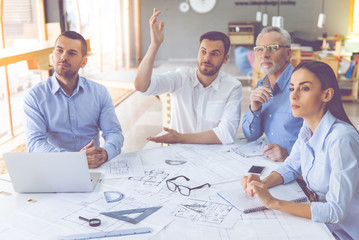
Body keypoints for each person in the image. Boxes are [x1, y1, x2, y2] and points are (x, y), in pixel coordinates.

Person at [241, 61, 359, 240]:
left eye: (304, 89)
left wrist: (273, 202)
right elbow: (291, 167)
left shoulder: (341, 138)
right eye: (292, 88)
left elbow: (336, 211)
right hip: (323, 225)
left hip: (345, 232)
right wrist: (262, 184)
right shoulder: (308, 127)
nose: (293, 96)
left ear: (326, 94)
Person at [134, 9, 242, 145]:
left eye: (214, 54)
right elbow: (142, 86)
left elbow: (225, 134)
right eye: (203, 51)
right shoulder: (181, 77)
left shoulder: (233, 87)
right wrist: (154, 45)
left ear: (225, 58)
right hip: (179, 155)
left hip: (213, 156)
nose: (206, 58)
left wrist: (180, 138)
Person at [24, 31, 124, 168]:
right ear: (52, 55)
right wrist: (74, 159)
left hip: (94, 166)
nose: (63, 57)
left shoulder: (99, 92)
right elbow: (35, 144)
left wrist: (105, 153)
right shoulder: (35, 96)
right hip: (57, 167)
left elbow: (113, 132)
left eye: (71, 53)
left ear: (83, 62)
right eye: (59, 51)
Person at [242, 26, 303, 162]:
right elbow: (250, 135)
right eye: (260, 49)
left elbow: (320, 142)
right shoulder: (261, 85)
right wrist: (254, 108)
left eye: (273, 47)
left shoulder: (303, 85)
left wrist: (289, 155)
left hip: (299, 172)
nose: (264, 55)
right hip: (270, 164)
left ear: (288, 53)